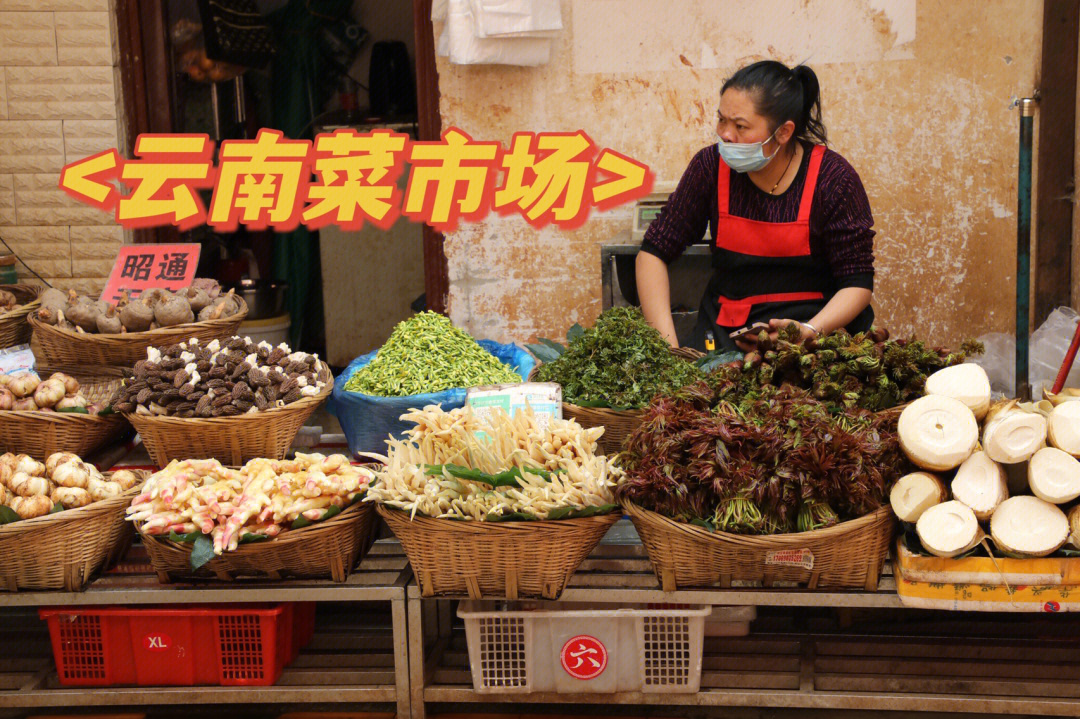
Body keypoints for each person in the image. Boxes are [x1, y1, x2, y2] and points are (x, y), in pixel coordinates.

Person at [636, 60, 876, 353]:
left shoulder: (833, 179)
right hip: (726, 339)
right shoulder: (710, 167)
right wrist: (669, 353)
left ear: (784, 133)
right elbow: (653, 253)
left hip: (815, 338)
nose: (725, 134)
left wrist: (809, 331)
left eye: (740, 126)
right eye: (721, 120)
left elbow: (858, 282)